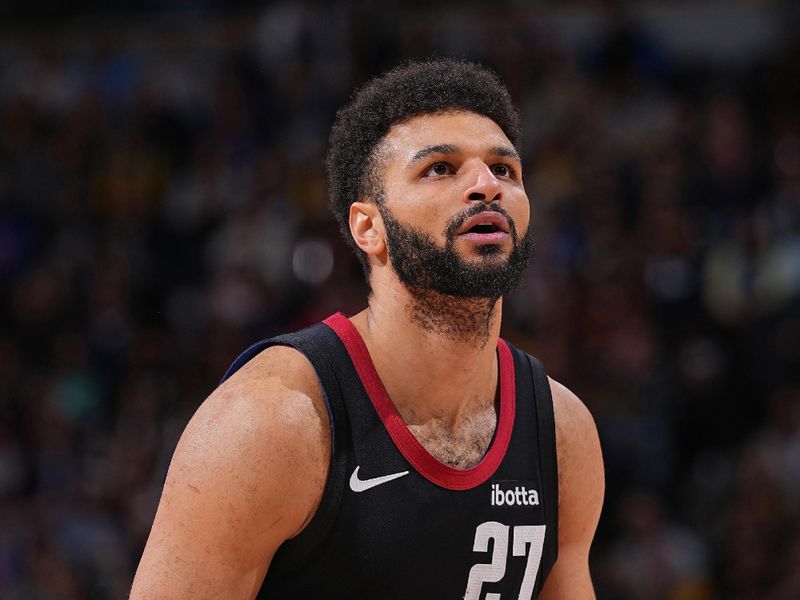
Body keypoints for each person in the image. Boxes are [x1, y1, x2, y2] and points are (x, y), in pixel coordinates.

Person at [130, 58, 604, 599]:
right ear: (368, 228)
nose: (484, 185)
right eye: (440, 169)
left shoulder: (562, 432)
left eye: (505, 170)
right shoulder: (269, 425)